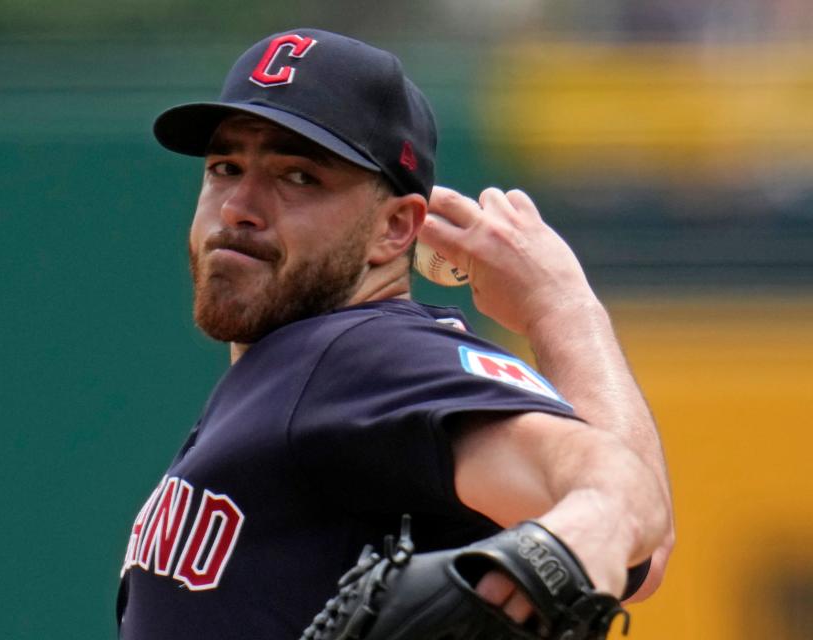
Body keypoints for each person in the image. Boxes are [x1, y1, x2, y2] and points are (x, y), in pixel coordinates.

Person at [115, 28, 674, 639]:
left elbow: (617, 494)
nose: (238, 206)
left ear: (395, 229)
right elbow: (640, 562)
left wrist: (562, 307)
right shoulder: (283, 384)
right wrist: (562, 312)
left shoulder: (355, 356)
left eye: (298, 176)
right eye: (225, 167)